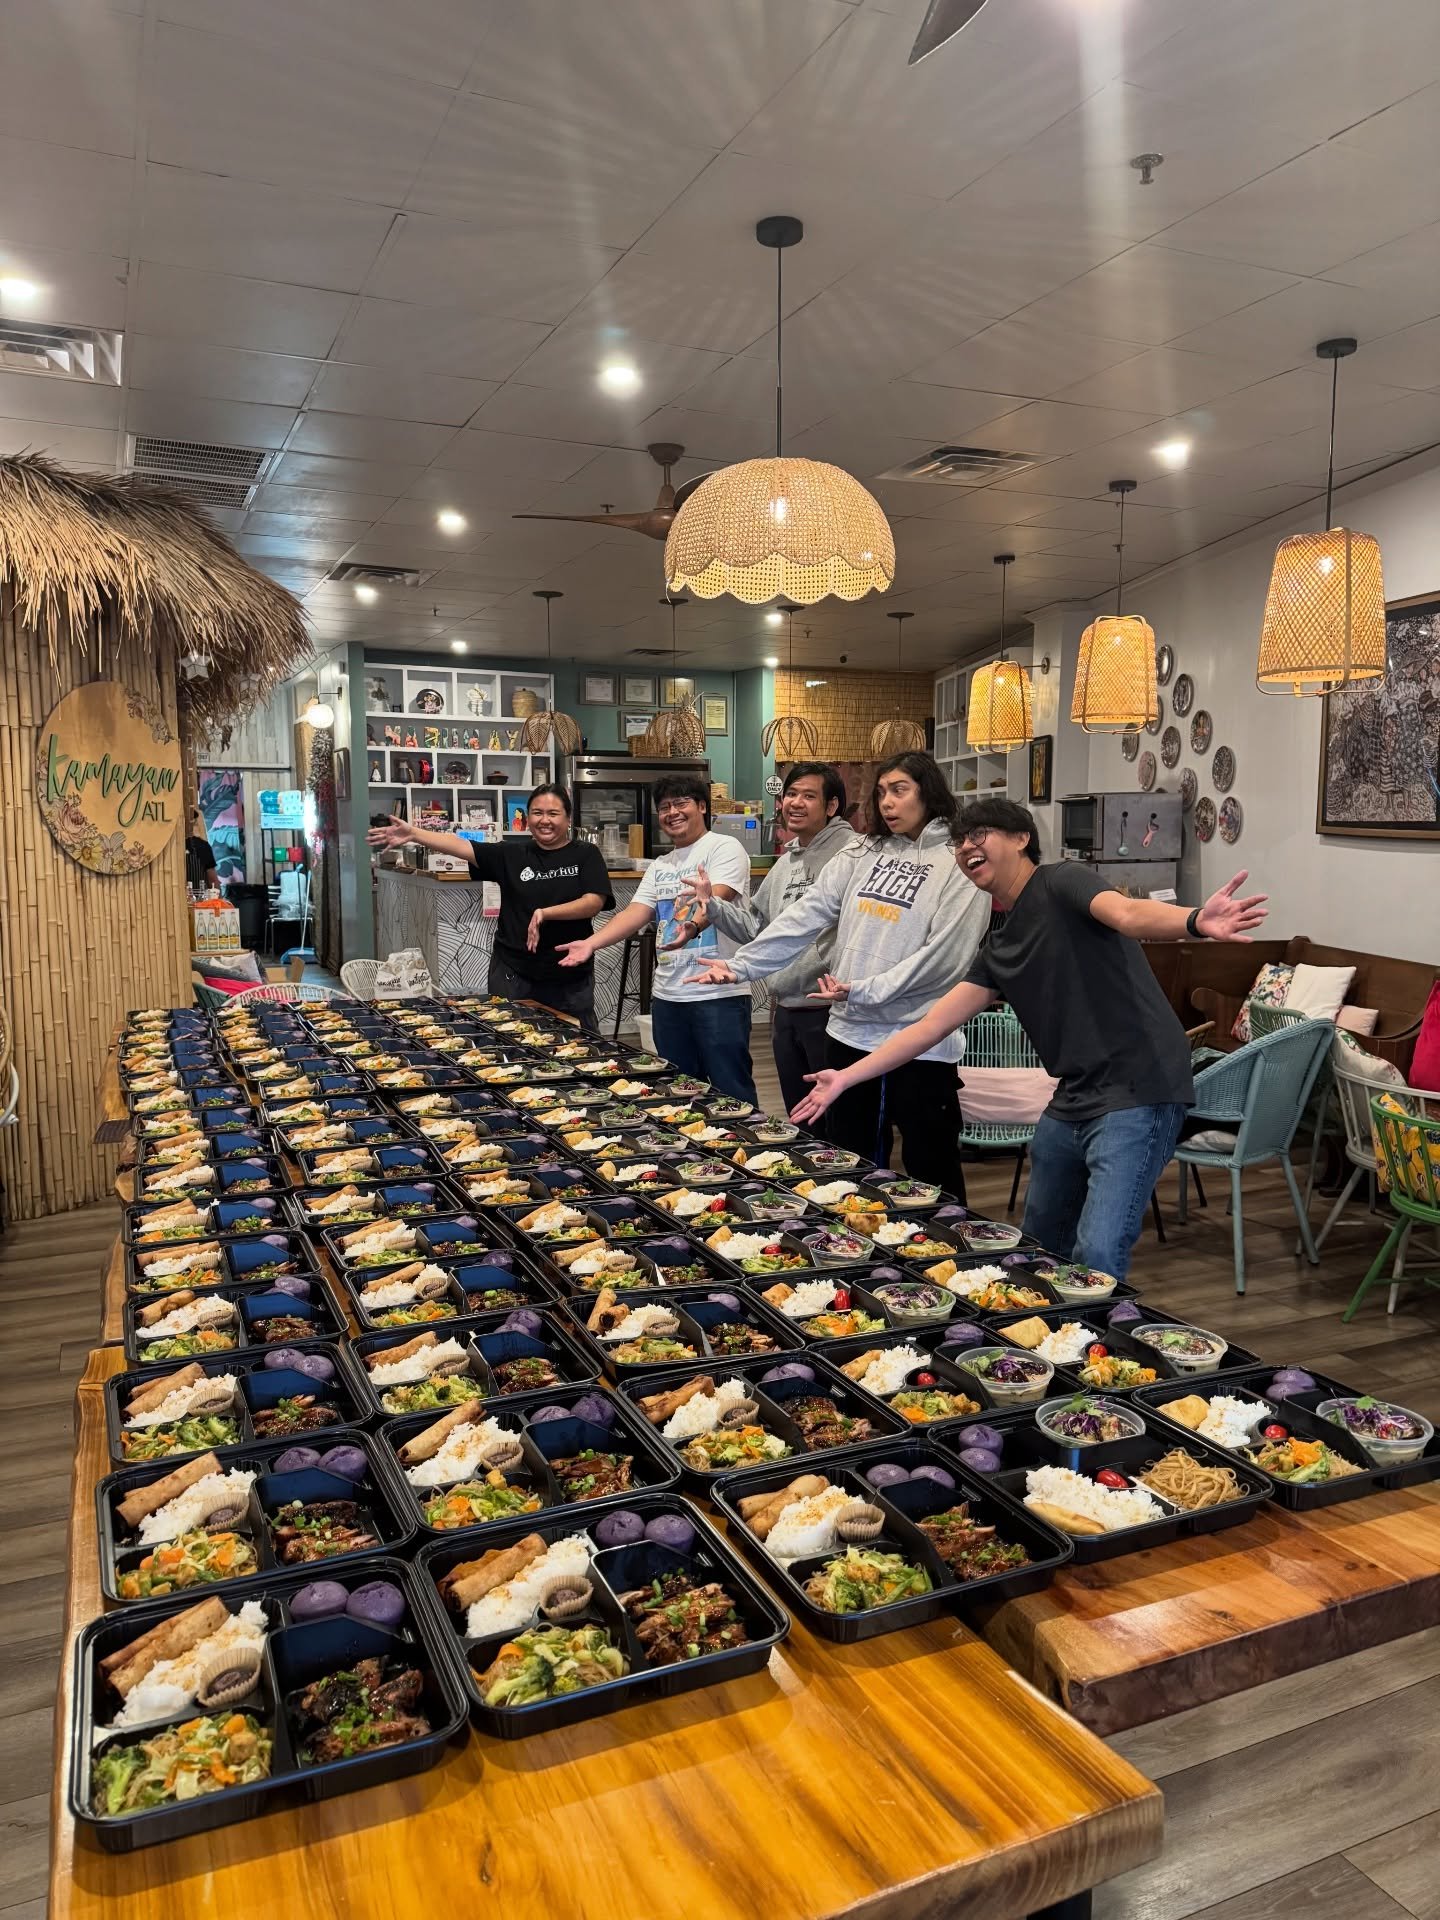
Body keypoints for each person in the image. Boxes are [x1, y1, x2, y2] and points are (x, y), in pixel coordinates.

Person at [791, 796, 1268, 1281]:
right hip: (1073, 1095)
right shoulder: (999, 945)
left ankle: (1097, 1328)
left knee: (1098, 1252)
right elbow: (930, 1026)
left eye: (979, 834)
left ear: (1021, 839)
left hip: (1140, 1089)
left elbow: (1126, 913)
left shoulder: (1062, 880)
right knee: (1040, 1243)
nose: (965, 847)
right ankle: (1050, 1324)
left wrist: (1196, 921)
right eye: (958, 842)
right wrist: (845, 1077)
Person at [687, 752, 989, 1198]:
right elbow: (804, 916)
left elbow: (947, 957)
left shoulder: (958, 860)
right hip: (848, 1032)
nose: (888, 802)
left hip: (921, 1042)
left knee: (932, 1171)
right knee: (849, 1165)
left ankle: (945, 1245)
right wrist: (741, 965)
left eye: (899, 790)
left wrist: (865, 989)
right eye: (881, 792)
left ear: (929, 793)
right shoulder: (863, 850)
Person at [556, 770, 757, 1104]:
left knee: (731, 1091)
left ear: (702, 806)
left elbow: (716, 899)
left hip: (718, 993)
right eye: (664, 807)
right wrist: (591, 943)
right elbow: (636, 912)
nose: (672, 812)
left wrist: (691, 927)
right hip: (668, 996)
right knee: (679, 1092)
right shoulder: (661, 864)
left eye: (681, 803)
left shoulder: (725, 848)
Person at [684, 763, 853, 1120]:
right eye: (791, 794)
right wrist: (712, 906)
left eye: (809, 796)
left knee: (839, 1120)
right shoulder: (786, 861)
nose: (796, 803)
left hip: (831, 1009)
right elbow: (755, 928)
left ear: (832, 805)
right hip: (787, 1008)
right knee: (801, 1116)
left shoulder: (851, 855)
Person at [367, 784, 613, 1027]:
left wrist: (545, 913)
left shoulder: (585, 854)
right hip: (513, 972)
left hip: (569, 972)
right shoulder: (512, 853)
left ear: (568, 818)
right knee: (508, 1036)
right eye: (537, 813)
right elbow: (461, 845)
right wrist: (413, 833)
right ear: (527, 818)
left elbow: (593, 902)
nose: (544, 820)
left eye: (553, 813)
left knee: (577, 1039)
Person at [184, 809, 220, 893]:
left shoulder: (202, 846)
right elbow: (212, 880)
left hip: (197, 898)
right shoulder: (202, 845)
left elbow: (212, 880)